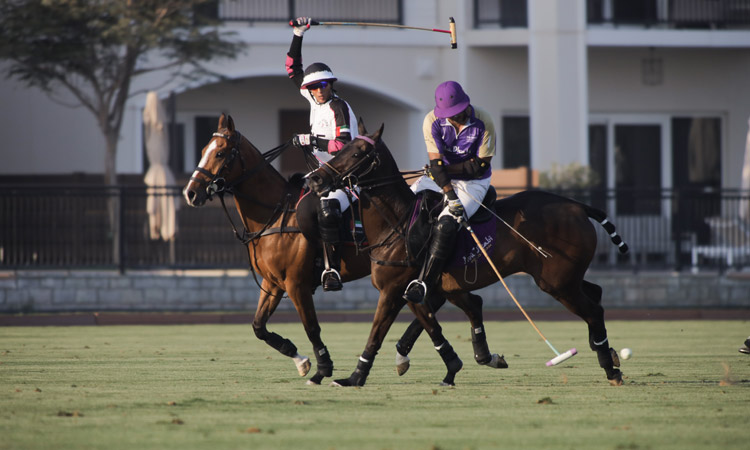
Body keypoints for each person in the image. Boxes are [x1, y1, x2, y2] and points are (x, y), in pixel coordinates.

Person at [403, 81, 496, 304]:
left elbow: (479, 166)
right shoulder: (431, 120)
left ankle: (424, 282)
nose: (455, 118)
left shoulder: (484, 120)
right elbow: (435, 164)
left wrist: (444, 174)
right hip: (440, 178)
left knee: (446, 223)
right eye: (450, 115)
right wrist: (447, 187)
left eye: (458, 113)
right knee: (406, 206)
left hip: (473, 183)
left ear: (467, 104)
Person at [286, 17, 359, 291]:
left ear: (331, 85)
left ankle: (331, 270)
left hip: (347, 177)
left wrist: (312, 140)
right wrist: (298, 33)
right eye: (313, 87)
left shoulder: (338, 106)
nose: (317, 91)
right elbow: (292, 69)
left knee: (327, 211)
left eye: (322, 86)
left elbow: (344, 146)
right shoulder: (312, 99)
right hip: (321, 175)